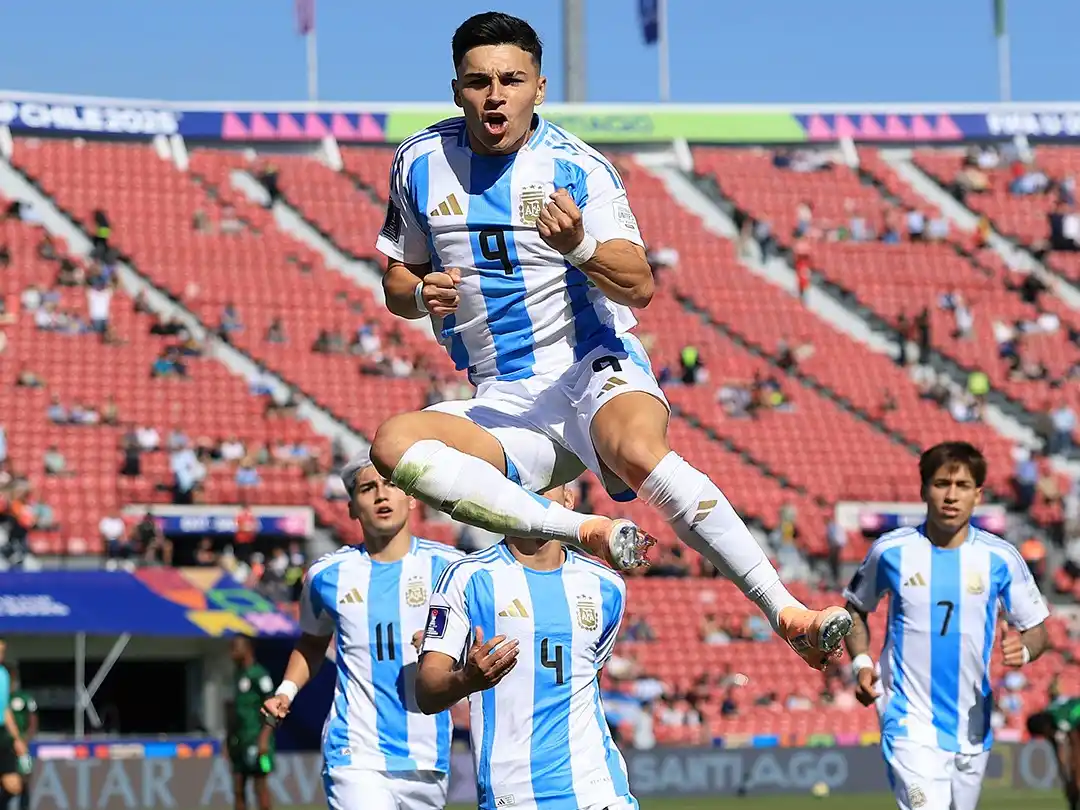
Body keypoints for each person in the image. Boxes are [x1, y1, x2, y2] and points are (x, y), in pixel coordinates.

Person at [369, 10, 850, 671]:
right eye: (479, 82)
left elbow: (639, 284)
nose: (495, 96)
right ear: (457, 90)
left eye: (512, 80)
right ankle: (586, 530)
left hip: (590, 367)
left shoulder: (579, 168)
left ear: (540, 88)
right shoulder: (419, 162)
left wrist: (579, 245)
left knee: (638, 452)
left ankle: (786, 611)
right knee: (391, 445)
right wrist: (422, 294)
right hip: (504, 401)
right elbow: (398, 283)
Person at [843, 441, 1051, 810]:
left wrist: (1024, 649)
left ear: (978, 495)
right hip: (907, 719)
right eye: (941, 484)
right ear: (924, 490)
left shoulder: (1001, 558)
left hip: (972, 724)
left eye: (962, 486)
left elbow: (1036, 629)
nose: (951, 496)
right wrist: (861, 664)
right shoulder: (890, 551)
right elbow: (855, 610)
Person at [261, 451, 463, 810]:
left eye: (390, 485)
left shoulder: (452, 569)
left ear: (411, 498)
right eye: (368, 489)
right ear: (352, 508)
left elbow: (478, 643)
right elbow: (312, 643)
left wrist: (446, 648)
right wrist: (286, 691)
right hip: (354, 752)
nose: (381, 495)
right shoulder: (326, 575)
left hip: (426, 755)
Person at [415, 483, 636, 809]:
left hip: (598, 786)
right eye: (524, 482)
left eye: (546, 484)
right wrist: (466, 680)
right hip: (514, 791)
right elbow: (426, 692)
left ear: (568, 500)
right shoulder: (466, 577)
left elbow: (591, 682)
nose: (534, 491)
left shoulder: (607, 586)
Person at [226, 636, 275, 810]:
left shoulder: (260, 675)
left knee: (260, 785)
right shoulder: (237, 675)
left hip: (258, 740)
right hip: (239, 741)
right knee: (238, 787)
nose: (232, 653)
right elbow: (234, 711)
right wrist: (228, 739)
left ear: (248, 649)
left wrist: (264, 738)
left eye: (236, 648)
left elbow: (273, 707)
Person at [1027, 699, 1080, 809]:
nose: (1045, 737)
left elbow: (1076, 747)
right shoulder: (1050, 719)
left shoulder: (1062, 720)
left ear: (1045, 728)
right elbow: (1058, 752)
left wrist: (1075, 778)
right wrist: (1066, 780)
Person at [3, 665, 36, 810]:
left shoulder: (24, 697)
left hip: (22, 744)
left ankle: (24, 805)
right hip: (6, 744)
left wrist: (26, 738)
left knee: (24, 776)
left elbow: (33, 719)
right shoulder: (3, 700)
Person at [0, 641, 26, 810]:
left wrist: (17, 739)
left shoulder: (3, 674)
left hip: (2, 733)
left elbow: (5, 708)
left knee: (14, 785)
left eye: (2, 651)